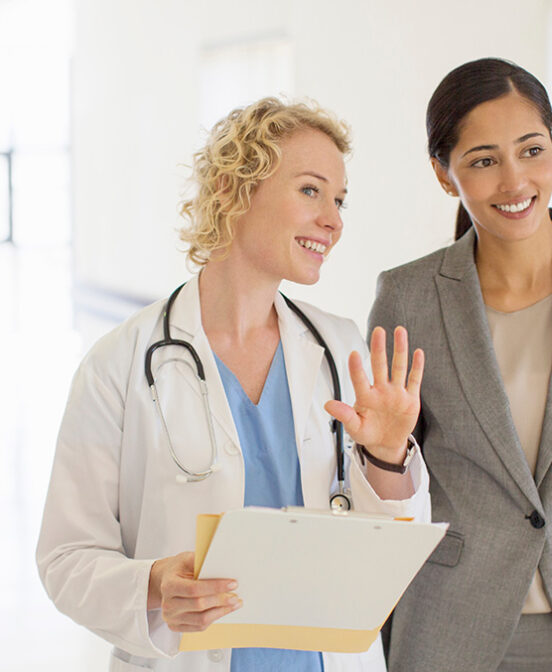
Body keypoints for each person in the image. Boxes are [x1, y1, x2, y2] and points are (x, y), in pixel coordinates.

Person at [37, 97, 430, 672]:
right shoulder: (118, 363)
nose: (334, 220)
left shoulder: (341, 347)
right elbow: (65, 559)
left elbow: (384, 555)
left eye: (340, 200)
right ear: (231, 188)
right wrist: (152, 583)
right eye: (311, 190)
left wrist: (390, 456)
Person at [369, 58, 552, 672]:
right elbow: (386, 489)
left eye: (531, 150)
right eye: (483, 160)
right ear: (444, 174)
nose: (514, 180)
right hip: (448, 628)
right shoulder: (407, 296)